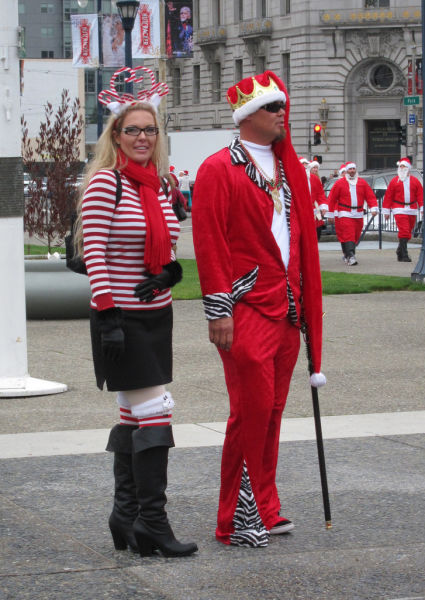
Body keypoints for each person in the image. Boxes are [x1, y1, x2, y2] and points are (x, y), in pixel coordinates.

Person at [192, 71, 325, 548]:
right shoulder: (217, 168)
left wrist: (307, 306)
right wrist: (218, 309)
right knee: (248, 412)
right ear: (248, 116)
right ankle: (236, 518)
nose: (281, 113)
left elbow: (299, 243)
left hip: (288, 308)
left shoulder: (292, 170)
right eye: (273, 108)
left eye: (282, 106)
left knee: (271, 413)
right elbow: (209, 243)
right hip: (245, 305)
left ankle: (265, 507)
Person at [75, 68, 197, 558]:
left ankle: (125, 516)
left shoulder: (160, 185)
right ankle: (151, 521)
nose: (143, 137)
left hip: (156, 313)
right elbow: (95, 252)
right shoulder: (108, 182)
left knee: (133, 411)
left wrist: (171, 273)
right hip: (120, 316)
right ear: (116, 136)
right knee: (155, 410)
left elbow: (167, 242)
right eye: (133, 130)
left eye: (151, 130)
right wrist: (107, 316)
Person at [326, 161, 378, 265]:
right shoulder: (339, 183)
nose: (352, 171)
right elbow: (331, 199)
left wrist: (373, 207)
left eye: (354, 169)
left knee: (355, 235)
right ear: (346, 171)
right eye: (350, 169)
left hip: (358, 213)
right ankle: (351, 256)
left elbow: (370, 196)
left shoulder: (362, 183)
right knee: (348, 233)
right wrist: (330, 214)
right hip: (344, 213)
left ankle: (346, 254)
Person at [382, 157, 423, 262]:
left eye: (404, 166)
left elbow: (420, 195)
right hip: (399, 208)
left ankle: (399, 250)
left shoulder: (415, 181)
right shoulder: (394, 181)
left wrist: (422, 207)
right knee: (404, 230)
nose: (402, 168)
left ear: (408, 168)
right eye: (400, 166)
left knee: (408, 232)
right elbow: (388, 196)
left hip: (412, 208)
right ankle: (404, 254)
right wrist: (386, 210)